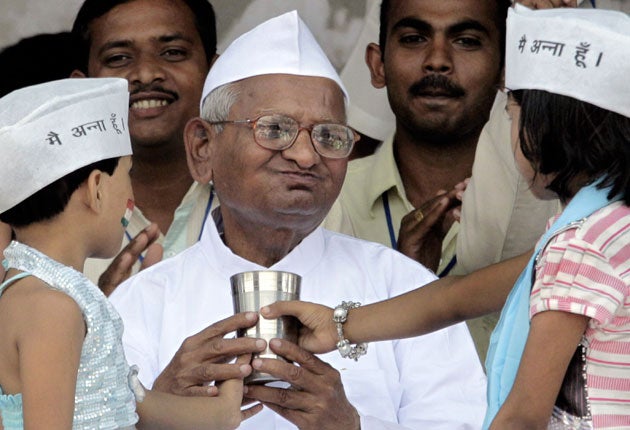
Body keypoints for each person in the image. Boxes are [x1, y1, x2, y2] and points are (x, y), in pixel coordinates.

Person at [110, 11, 487, 429]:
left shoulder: (405, 291)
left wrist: (349, 427)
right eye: (274, 129)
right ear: (203, 147)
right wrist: (156, 411)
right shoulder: (139, 305)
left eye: (328, 136)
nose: (306, 156)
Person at [265, 5, 630, 428]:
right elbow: (456, 297)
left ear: (543, 130)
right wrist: (339, 325)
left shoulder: (578, 247)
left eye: (511, 117)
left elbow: (523, 418)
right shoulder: (609, 230)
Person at [0, 77, 258, 429]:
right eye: (128, 173)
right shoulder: (51, 306)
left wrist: (227, 402)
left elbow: (135, 405)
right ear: (96, 190)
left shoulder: (53, 294)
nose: (131, 192)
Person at [323, 0, 511, 276]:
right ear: (378, 65)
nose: (437, 61)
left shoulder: (543, 210)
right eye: (413, 39)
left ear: (506, 68)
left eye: (466, 41)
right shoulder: (324, 202)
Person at [71, 0, 220, 295]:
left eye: (173, 53)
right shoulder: (43, 220)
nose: (147, 73)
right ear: (80, 89)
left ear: (215, 72)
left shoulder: (279, 193)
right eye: (118, 58)